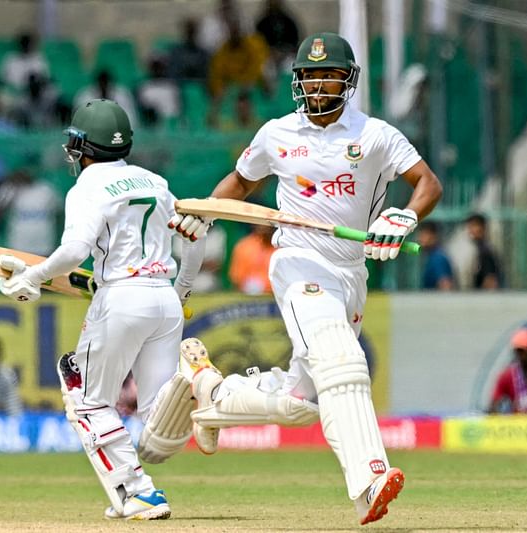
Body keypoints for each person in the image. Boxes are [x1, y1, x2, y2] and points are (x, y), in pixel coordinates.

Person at [170, 32, 442, 525]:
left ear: (348, 80)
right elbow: (242, 182)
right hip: (297, 262)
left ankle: (212, 393)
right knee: (342, 359)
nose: (318, 85)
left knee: (304, 401)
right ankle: (369, 478)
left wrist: (403, 218)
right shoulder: (277, 134)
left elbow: (427, 183)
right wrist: (206, 213)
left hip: (350, 272)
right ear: (298, 81)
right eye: (310, 76)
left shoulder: (376, 135)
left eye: (329, 75)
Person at [0, 99, 207, 520]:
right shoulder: (157, 182)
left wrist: (33, 277)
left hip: (121, 298)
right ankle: (214, 394)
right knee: (155, 409)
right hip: (164, 297)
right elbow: (195, 236)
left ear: (82, 146)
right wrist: (181, 289)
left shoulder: (88, 187)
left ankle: (138, 491)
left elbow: (74, 251)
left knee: (86, 398)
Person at [0, 166, 61, 255]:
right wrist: (12, 191)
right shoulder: (9, 189)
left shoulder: (46, 189)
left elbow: (59, 214)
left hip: (44, 243)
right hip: (18, 244)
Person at [228, 224, 275, 294]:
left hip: (273, 296)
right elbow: (236, 277)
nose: (264, 227)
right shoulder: (244, 245)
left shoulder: (280, 248)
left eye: (268, 225)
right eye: (261, 223)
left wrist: (265, 286)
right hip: (246, 296)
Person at [466, 212, 502, 290]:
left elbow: (491, 282)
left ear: (483, 227)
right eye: (469, 226)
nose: (470, 230)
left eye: (474, 226)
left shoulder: (485, 252)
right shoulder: (478, 249)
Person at [417, 220, 454, 290]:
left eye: (423, 235)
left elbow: (446, 286)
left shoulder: (438, 258)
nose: (420, 239)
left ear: (433, 236)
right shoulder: (431, 256)